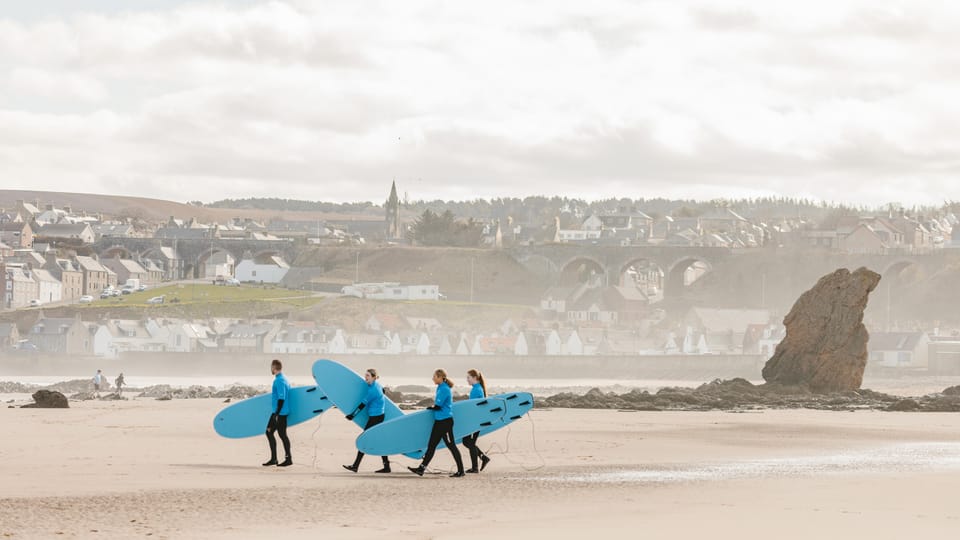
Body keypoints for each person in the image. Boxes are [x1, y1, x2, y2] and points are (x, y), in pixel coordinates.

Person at [408, 369, 465, 478]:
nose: (432, 378)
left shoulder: (444, 389)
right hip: (439, 422)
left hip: (445, 422)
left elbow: (438, 406)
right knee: (432, 445)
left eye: (434, 376)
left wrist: (431, 408)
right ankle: (421, 469)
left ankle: (461, 471)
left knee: (451, 445)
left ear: (440, 377)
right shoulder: (440, 387)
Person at [342, 368, 392, 474]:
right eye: (365, 376)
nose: (366, 378)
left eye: (368, 376)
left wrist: (352, 415)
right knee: (379, 442)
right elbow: (382, 391)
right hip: (377, 416)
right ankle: (386, 466)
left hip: (376, 418)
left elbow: (362, 405)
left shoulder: (373, 390)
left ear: (374, 377)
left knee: (364, 439)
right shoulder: (376, 385)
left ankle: (355, 466)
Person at [263, 359, 292, 467]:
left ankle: (282, 459)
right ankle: (279, 458)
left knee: (273, 433)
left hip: (280, 412)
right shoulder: (283, 379)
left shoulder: (279, 380)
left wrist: (276, 414)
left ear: (274, 368)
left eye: (271, 367)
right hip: (280, 412)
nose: (271, 369)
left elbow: (281, 397)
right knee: (277, 434)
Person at [461, 369, 491, 473]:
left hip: (475, 420)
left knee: (467, 441)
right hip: (477, 419)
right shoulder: (478, 388)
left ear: (474, 378)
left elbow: (472, 407)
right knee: (469, 442)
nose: (467, 380)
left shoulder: (476, 390)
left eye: (468, 378)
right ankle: (480, 462)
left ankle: (477, 465)